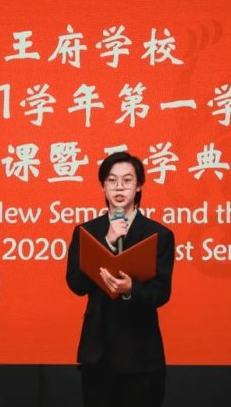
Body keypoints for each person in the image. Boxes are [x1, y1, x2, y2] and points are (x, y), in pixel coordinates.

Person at [66, 151, 175, 407]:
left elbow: (161, 293)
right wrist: (108, 241)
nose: (119, 187)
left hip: (141, 356)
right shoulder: (87, 232)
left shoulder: (158, 234)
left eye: (127, 180)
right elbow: (76, 284)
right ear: (103, 186)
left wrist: (130, 288)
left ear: (139, 186)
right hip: (98, 354)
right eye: (112, 180)